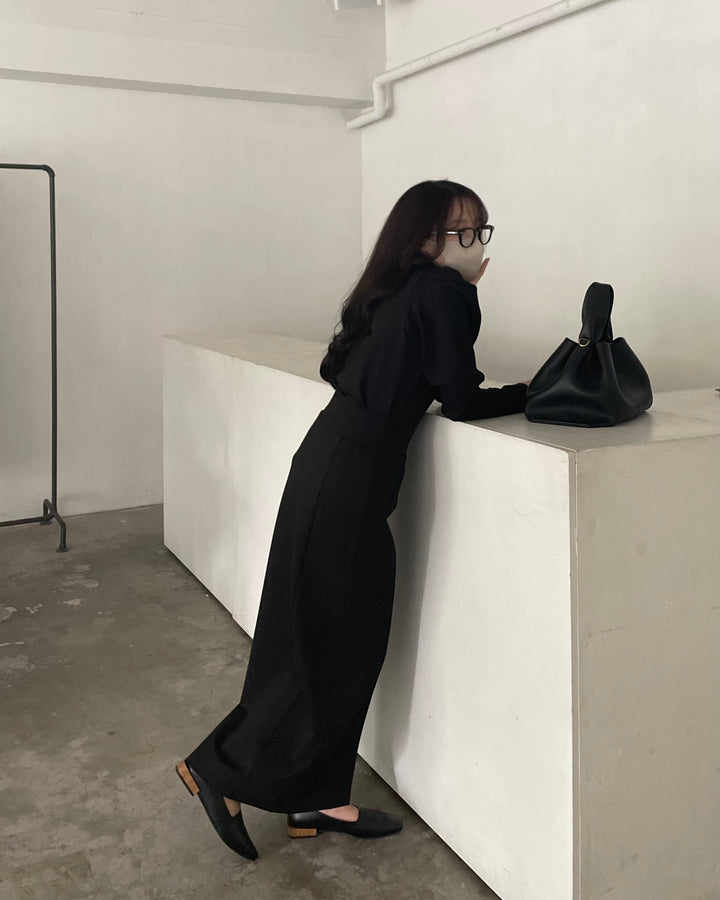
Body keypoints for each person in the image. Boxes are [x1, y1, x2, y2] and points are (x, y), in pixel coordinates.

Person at [175, 179, 533, 859]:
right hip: (349, 479)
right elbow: (460, 398)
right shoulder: (441, 290)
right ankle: (215, 769)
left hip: (331, 462)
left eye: (479, 230)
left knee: (338, 637)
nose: (472, 243)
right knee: (329, 640)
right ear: (423, 238)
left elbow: (348, 369)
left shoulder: (393, 286)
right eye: (460, 231)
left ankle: (317, 798)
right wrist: (529, 390)